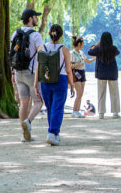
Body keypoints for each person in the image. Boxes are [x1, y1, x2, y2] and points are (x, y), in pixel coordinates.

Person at [33, 24, 75, 146]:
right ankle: (52, 133)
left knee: (50, 108)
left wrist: (36, 85)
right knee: (58, 107)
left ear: (50, 34)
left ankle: (54, 133)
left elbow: (38, 68)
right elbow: (68, 70)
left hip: (45, 80)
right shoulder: (64, 49)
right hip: (60, 80)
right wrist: (71, 84)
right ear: (61, 35)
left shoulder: (42, 48)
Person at [10, 9, 44, 142]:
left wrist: (13, 71)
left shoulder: (15, 33)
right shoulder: (36, 35)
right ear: (30, 18)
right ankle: (28, 122)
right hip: (32, 73)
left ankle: (24, 134)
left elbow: (12, 53)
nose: (37, 19)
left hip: (18, 72)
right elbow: (41, 55)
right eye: (36, 17)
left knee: (23, 103)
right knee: (38, 102)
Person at [88, 31, 121, 119]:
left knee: (101, 93)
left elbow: (90, 52)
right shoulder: (113, 48)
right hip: (112, 73)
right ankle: (115, 112)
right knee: (114, 93)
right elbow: (118, 52)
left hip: (101, 73)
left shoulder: (98, 49)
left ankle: (101, 113)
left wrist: (96, 45)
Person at [69, 36, 95, 118]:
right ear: (79, 44)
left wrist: (96, 58)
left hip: (82, 72)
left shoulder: (81, 53)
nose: (83, 45)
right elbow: (70, 65)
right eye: (83, 43)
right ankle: (75, 111)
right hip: (76, 72)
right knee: (79, 93)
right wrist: (79, 65)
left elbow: (88, 61)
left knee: (81, 94)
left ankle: (77, 110)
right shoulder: (72, 53)